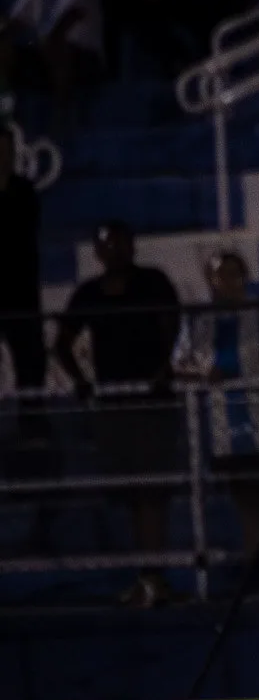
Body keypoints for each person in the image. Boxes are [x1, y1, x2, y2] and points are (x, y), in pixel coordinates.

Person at [52, 220, 182, 607]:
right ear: (97, 251)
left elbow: (173, 328)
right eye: (106, 244)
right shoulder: (88, 293)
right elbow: (62, 343)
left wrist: (163, 371)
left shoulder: (154, 282)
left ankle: (155, 577)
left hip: (153, 404)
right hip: (113, 406)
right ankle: (145, 577)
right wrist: (82, 382)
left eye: (120, 242)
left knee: (153, 493)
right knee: (130, 494)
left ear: (132, 245)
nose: (114, 249)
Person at [171, 252, 259, 595]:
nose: (228, 280)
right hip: (224, 425)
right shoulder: (198, 320)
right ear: (210, 280)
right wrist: (202, 372)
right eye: (220, 274)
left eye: (235, 273)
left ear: (245, 276)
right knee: (247, 500)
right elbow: (178, 363)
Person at [6, 0, 102, 125]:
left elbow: (67, 21)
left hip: (85, 60)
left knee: (56, 43)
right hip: (46, 56)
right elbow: (14, 24)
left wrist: (48, 40)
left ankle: (62, 113)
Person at [0, 136, 41, 397]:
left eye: (7, 150)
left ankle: (33, 417)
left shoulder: (25, 191)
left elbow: (22, 233)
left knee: (30, 365)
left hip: (21, 294)